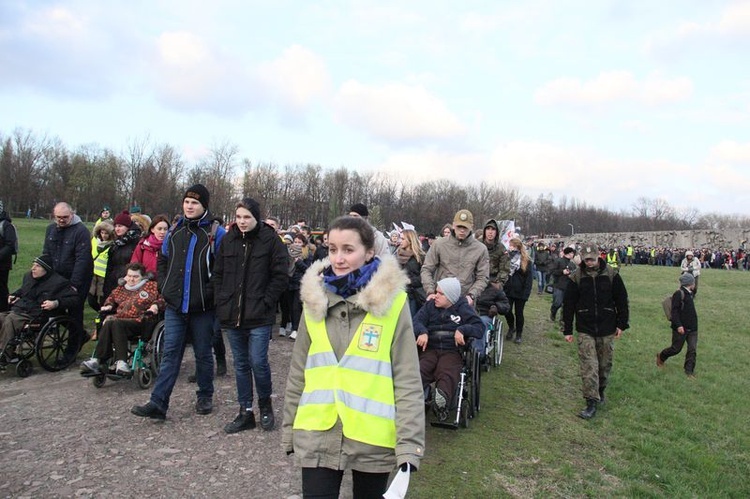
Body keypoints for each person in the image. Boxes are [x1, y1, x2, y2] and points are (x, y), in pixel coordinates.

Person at [282, 216, 424, 498]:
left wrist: (409, 445)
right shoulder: (313, 299)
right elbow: (298, 372)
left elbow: (407, 378)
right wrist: (290, 428)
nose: (338, 258)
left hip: (372, 439)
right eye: (332, 249)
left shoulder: (393, 304)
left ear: (369, 251)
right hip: (317, 432)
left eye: (348, 249)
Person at [131, 184, 226, 421]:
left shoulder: (216, 233)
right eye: (186, 202)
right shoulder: (174, 230)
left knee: (203, 353)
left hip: (203, 307)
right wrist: (165, 286)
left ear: (204, 205)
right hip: (175, 305)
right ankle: (158, 402)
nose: (189, 206)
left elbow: (223, 269)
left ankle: (205, 395)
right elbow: (163, 259)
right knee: (171, 353)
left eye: (195, 203)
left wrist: (209, 292)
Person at [211, 198, 289, 433]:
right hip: (233, 313)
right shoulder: (229, 240)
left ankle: (265, 405)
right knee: (241, 364)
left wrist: (266, 302)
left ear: (256, 218)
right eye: (239, 217)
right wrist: (221, 299)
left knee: (258, 362)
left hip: (259, 314)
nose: (242, 222)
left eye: (247, 217)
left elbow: (280, 276)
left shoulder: (271, 241)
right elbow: (218, 273)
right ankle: (245, 411)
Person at [562, 243, 629, 420]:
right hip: (585, 327)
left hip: (607, 326)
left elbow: (622, 300)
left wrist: (622, 324)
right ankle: (590, 401)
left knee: (604, 364)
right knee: (589, 365)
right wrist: (567, 329)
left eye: (592, 259)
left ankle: (600, 390)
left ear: (599, 257)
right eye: (586, 260)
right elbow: (568, 304)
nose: (589, 262)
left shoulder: (611, 275)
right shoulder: (576, 277)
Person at [413, 277, 484, 420]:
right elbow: (416, 321)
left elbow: (479, 327)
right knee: (421, 369)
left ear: (451, 297)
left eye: (440, 293)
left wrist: (463, 329)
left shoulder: (462, 308)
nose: (435, 296)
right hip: (430, 348)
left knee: (446, 371)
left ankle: (441, 400)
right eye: (436, 292)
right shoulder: (430, 306)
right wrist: (422, 331)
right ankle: (411, 399)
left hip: (451, 350)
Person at [80, 263, 164, 376]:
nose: (131, 279)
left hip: (141, 321)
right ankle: (98, 360)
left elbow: (162, 299)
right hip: (119, 322)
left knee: (115, 322)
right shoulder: (120, 289)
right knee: (110, 322)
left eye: (135, 277)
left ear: (142, 277)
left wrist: (155, 306)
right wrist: (109, 305)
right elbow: (111, 298)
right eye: (129, 276)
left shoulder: (151, 286)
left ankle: (120, 362)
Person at [0, 255, 79, 367]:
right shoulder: (29, 276)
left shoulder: (59, 283)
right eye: (33, 265)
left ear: (45, 269)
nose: (33, 268)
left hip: (38, 314)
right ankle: (5, 350)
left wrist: (56, 303)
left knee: (9, 319)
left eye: (37, 266)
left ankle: (6, 354)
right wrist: (14, 295)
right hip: (21, 309)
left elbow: (74, 299)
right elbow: (23, 290)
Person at [43, 202, 94, 366]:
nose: (62, 220)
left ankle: (71, 351)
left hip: (78, 278)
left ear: (72, 215)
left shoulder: (81, 232)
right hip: (58, 277)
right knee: (53, 307)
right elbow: (47, 254)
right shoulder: (51, 230)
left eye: (65, 217)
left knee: (74, 312)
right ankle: (81, 334)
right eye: (58, 217)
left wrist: (74, 285)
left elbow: (82, 260)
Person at [420, 209, 489, 307]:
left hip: (464, 302)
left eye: (465, 227)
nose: (462, 230)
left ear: (471, 227)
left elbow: (483, 277)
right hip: (440, 300)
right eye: (459, 226)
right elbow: (426, 269)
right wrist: (430, 291)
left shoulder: (480, 249)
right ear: (453, 225)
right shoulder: (439, 244)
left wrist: (472, 295)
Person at [657, 273, 698, 378]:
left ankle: (689, 371)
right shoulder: (679, 294)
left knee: (692, 349)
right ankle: (661, 356)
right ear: (690, 283)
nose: (695, 284)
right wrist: (679, 325)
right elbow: (674, 312)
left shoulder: (690, 293)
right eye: (693, 282)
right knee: (676, 349)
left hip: (693, 328)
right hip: (681, 328)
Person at [103, 211, 142, 301]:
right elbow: (110, 267)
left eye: (120, 226)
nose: (117, 229)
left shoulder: (136, 243)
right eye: (116, 226)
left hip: (129, 283)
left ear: (127, 227)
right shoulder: (116, 244)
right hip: (113, 282)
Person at [503, 238, 533, 344]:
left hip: (520, 291)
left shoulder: (526, 261)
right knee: (507, 310)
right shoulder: (507, 258)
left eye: (513, 246)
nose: (511, 248)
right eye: (510, 246)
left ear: (519, 247)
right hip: (508, 290)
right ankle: (511, 327)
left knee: (519, 313)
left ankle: (519, 334)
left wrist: (526, 293)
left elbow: (529, 279)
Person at [283, 234, 311, 340]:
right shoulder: (288, 254)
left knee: (296, 307)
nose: (297, 244)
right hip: (289, 283)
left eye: (299, 242)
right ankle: (293, 327)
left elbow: (309, 269)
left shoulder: (307, 254)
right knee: (289, 307)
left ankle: (296, 329)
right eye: (295, 241)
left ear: (303, 243)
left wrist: (299, 262)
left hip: (300, 284)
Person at [397, 228, 426, 317]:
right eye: (399, 238)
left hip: (414, 295)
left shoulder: (420, 257)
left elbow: (425, 276)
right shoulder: (397, 255)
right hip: (398, 293)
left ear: (410, 240)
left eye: (402, 239)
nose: (399, 241)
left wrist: (410, 280)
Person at [89, 221, 114, 313]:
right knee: (91, 299)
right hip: (93, 274)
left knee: (103, 300)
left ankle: (102, 316)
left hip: (104, 277)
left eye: (106, 233)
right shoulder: (94, 241)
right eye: (102, 233)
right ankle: (101, 313)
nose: (104, 235)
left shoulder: (113, 245)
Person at [549, 246, 577, 323]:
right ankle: (553, 312)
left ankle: (562, 321)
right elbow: (552, 271)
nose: (573, 254)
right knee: (557, 303)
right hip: (559, 285)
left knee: (566, 306)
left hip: (569, 287)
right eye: (572, 253)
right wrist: (562, 272)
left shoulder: (572, 264)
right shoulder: (558, 261)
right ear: (568, 253)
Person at [0, 199, 18, 313]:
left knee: (1, 292)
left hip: (2, 266)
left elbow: (10, 245)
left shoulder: (6, 225)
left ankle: (2, 315)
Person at [481, 219, 510, 286]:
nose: (490, 232)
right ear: (484, 231)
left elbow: (505, 269)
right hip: (478, 279)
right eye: (488, 229)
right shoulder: (477, 245)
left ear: (497, 232)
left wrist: (499, 283)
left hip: (494, 280)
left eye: (493, 229)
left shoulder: (501, 248)